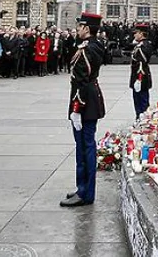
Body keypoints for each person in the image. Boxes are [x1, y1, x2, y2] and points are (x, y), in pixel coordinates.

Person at [61, 13, 106, 208]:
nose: (77, 30)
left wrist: (77, 109)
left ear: (87, 29)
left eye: (79, 27)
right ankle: (84, 188)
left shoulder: (87, 49)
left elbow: (81, 80)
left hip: (84, 102)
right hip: (89, 99)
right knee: (85, 145)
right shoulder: (92, 45)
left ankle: (85, 192)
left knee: (84, 147)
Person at [130, 26, 152, 120]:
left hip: (140, 77)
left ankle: (143, 120)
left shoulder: (144, 46)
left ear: (141, 34)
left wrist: (138, 79)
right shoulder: (140, 45)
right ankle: (139, 118)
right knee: (137, 100)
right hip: (138, 76)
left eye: (136, 33)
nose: (134, 35)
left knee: (142, 101)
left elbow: (142, 61)